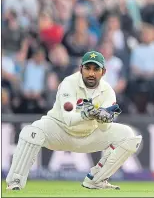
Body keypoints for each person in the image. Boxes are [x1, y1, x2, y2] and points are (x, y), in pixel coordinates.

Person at [6, 51, 142, 190]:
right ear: (81, 68)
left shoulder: (108, 91)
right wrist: (87, 114)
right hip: (59, 131)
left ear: (104, 72)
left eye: (96, 69)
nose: (91, 73)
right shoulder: (68, 83)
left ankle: (96, 180)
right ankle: (15, 181)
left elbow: (104, 128)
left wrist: (103, 117)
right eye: (87, 68)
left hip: (89, 136)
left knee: (128, 135)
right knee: (31, 132)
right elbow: (69, 119)